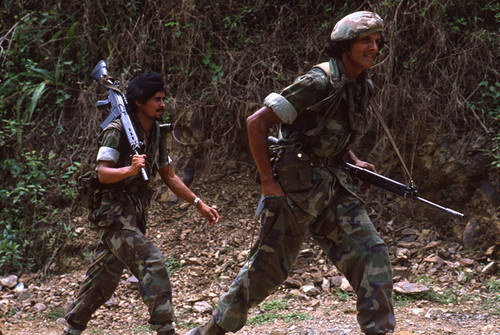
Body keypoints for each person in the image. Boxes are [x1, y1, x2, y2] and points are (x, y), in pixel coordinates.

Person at [187, 11, 395, 335]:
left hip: (332, 186)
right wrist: (269, 184)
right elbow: (256, 123)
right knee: (266, 271)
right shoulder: (317, 81)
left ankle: (378, 330)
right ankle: (209, 332)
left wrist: (353, 160)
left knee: (372, 253)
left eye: (377, 41)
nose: (374, 48)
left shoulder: (360, 85)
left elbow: (331, 133)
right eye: (365, 41)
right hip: (294, 191)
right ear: (344, 45)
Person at [63, 72, 220, 335]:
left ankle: (72, 327)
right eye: (157, 99)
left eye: (163, 99)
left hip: (133, 215)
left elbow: (168, 174)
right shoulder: (117, 130)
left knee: (103, 278)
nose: (163, 104)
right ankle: (165, 329)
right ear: (139, 103)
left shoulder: (156, 131)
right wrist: (129, 171)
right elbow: (102, 172)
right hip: (112, 215)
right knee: (152, 261)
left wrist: (198, 203)